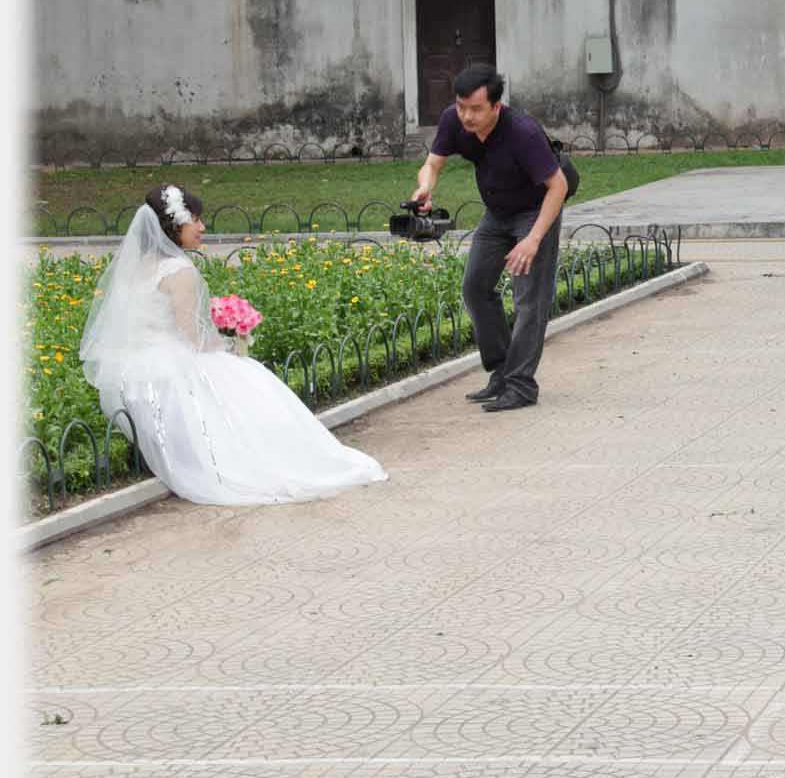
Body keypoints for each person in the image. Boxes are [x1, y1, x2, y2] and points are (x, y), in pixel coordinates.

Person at [77, 186, 387, 505]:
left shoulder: (136, 267)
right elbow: (193, 338)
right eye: (195, 220)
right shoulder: (179, 271)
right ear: (173, 225)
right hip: (172, 365)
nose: (202, 228)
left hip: (136, 370)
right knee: (247, 377)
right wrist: (231, 340)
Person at [411, 64, 569, 413]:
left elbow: (559, 186)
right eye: (462, 105)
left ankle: (521, 385)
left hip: (535, 210)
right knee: (475, 287)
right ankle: (500, 371)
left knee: (529, 300)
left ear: (496, 106)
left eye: (476, 109)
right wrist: (425, 187)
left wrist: (533, 239)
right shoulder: (455, 120)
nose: (467, 115)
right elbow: (433, 165)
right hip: (497, 213)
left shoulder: (522, 133)